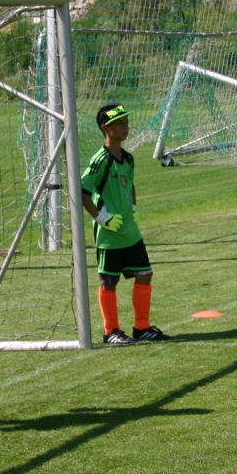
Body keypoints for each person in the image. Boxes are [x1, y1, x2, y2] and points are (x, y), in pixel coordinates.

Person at [81, 103, 172, 345]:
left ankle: (142, 327)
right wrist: (101, 218)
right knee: (109, 281)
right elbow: (82, 191)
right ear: (105, 128)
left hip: (130, 231)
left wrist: (133, 207)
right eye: (119, 123)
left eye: (126, 123)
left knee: (145, 274)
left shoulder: (128, 158)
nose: (125, 127)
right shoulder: (101, 160)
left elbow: (130, 183)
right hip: (109, 235)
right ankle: (111, 331)